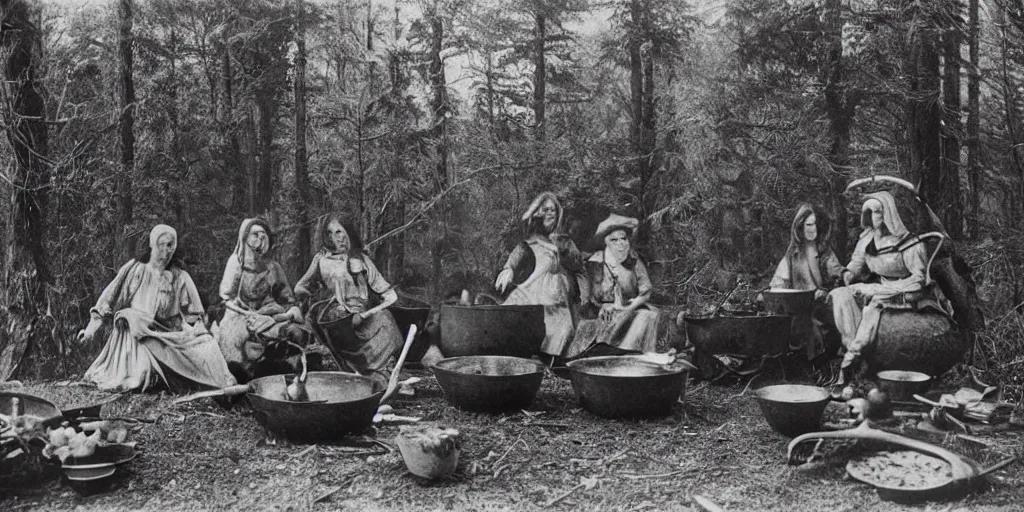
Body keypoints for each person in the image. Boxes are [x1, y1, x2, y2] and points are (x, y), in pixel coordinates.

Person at [78, 225, 236, 392]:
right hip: (137, 333)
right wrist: (90, 330)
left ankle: (221, 386)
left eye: (170, 246)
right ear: (152, 245)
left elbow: (194, 314)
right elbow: (108, 298)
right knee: (144, 373)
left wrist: (197, 328)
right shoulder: (135, 269)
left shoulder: (179, 277)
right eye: (162, 244)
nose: (166, 251)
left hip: (167, 332)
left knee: (207, 345)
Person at [829, 191, 949, 381]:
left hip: (904, 289)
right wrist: (847, 274)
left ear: (888, 213)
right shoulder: (866, 240)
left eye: (876, 212)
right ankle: (851, 347)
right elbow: (855, 265)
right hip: (877, 286)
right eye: (868, 212)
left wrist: (888, 289)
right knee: (840, 295)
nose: (872, 217)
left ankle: (854, 357)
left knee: (872, 308)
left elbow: (919, 278)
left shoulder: (908, 243)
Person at [294, 215, 403, 387]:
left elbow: (390, 295)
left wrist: (367, 314)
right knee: (336, 317)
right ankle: (356, 375)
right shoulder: (321, 259)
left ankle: (378, 376)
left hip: (361, 318)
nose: (334, 238)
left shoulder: (361, 259)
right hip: (337, 320)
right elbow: (299, 288)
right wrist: (316, 294)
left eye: (338, 231)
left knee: (386, 320)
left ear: (348, 232)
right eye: (329, 233)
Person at [216, 218, 312, 382]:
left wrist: (288, 312)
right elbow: (227, 298)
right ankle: (241, 376)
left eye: (263, 235)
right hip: (240, 315)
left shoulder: (273, 267)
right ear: (245, 237)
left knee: (295, 332)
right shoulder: (236, 263)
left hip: (270, 315)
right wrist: (247, 314)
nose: (260, 239)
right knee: (233, 341)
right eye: (255, 234)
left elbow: (286, 297)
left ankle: (285, 372)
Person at [495, 192, 584, 362]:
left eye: (554, 210)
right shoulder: (529, 242)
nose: (551, 213)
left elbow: (578, 267)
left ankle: (550, 359)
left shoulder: (563, 241)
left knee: (563, 330)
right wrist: (509, 270)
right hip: (533, 292)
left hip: (558, 297)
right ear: (538, 213)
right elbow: (516, 257)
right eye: (547, 210)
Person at [563, 214, 660, 358]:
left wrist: (630, 306)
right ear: (606, 242)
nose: (620, 243)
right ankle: (614, 354)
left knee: (649, 316)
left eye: (623, 239)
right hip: (600, 310)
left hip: (632, 307)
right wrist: (605, 305)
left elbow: (646, 289)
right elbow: (592, 293)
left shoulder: (633, 259)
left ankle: (635, 355)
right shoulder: (596, 261)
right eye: (614, 240)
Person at [767, 204, 846, 360]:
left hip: (820, 306)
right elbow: (779, 281)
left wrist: (838, 281)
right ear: (800, 228)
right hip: (798, 305)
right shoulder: (793, 254)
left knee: (813, 324)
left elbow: (837, 273)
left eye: (815, 224)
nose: (813, 229)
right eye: (808, 224)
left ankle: (816, 364)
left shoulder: (824, 252)